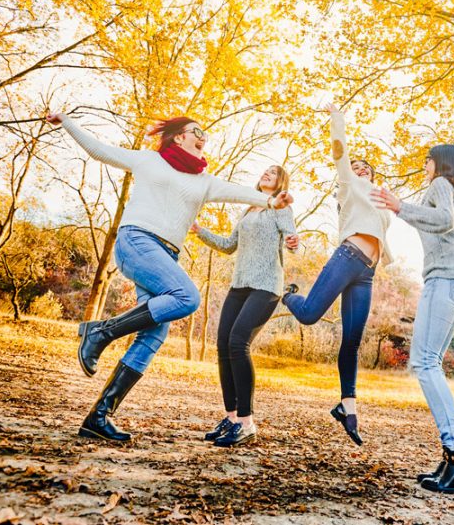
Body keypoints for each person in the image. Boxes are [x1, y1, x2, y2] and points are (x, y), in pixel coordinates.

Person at [45, 112, 293, 442]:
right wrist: (66, 123)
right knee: (187, 297)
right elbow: (99, 150)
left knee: (152, 336)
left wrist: (272, 201)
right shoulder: (150, 161)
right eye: (197, 131)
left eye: (205, 133)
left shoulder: (204, 181)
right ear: (179, 137)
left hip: (166, 255)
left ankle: (99, 416)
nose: (203, 137)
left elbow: (241, 193)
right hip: (137, 241)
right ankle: (100, 333)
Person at [370, 144, 454, 494]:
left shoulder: (440, 186)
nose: (425, 166)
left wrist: (400, 206)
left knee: (424, 362)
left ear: (441, 162)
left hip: (446, 279)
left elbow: (443, 222)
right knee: (428, 363)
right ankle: (453, 459)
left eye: (428, 160)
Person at [281, 103, 391, 446]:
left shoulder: (381, 200)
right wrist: (336, 118)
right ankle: (286, 293)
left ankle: (348, 408)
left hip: (367, 272)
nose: (359, 169)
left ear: (374, 176)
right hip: (348, 256)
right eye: (355, 167)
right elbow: (340, 150)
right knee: (310, 314)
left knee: (353, 341)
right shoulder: (349, 185)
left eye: (365, 168)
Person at [192, 165, 299, 447]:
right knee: (223, 345)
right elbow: (229, 246)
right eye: (265, 171)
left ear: (280, 181)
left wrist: (292, 242)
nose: (267, 174)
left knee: (238, 343)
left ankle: (247, 422)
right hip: (240, 285)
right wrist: (200, 231)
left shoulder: (280, 207)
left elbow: (291, 239)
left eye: (273, 173)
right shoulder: (248, 208)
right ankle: (231, 417)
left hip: (266, 286)